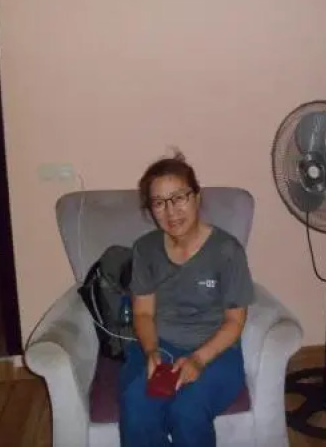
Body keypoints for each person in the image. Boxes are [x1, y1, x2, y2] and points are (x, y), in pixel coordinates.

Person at [118, 150, 255, 447]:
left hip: (215, 351)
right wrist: (151, 352)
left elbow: (235, 321)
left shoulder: (227, 250)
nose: (171, 211)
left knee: (187, 410)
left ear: (197, 197)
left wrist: (198, 359)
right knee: (137, 406)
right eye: (159, 203)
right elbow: (143, 314)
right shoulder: (145, 249)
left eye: (179, 197)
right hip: (160, 346)